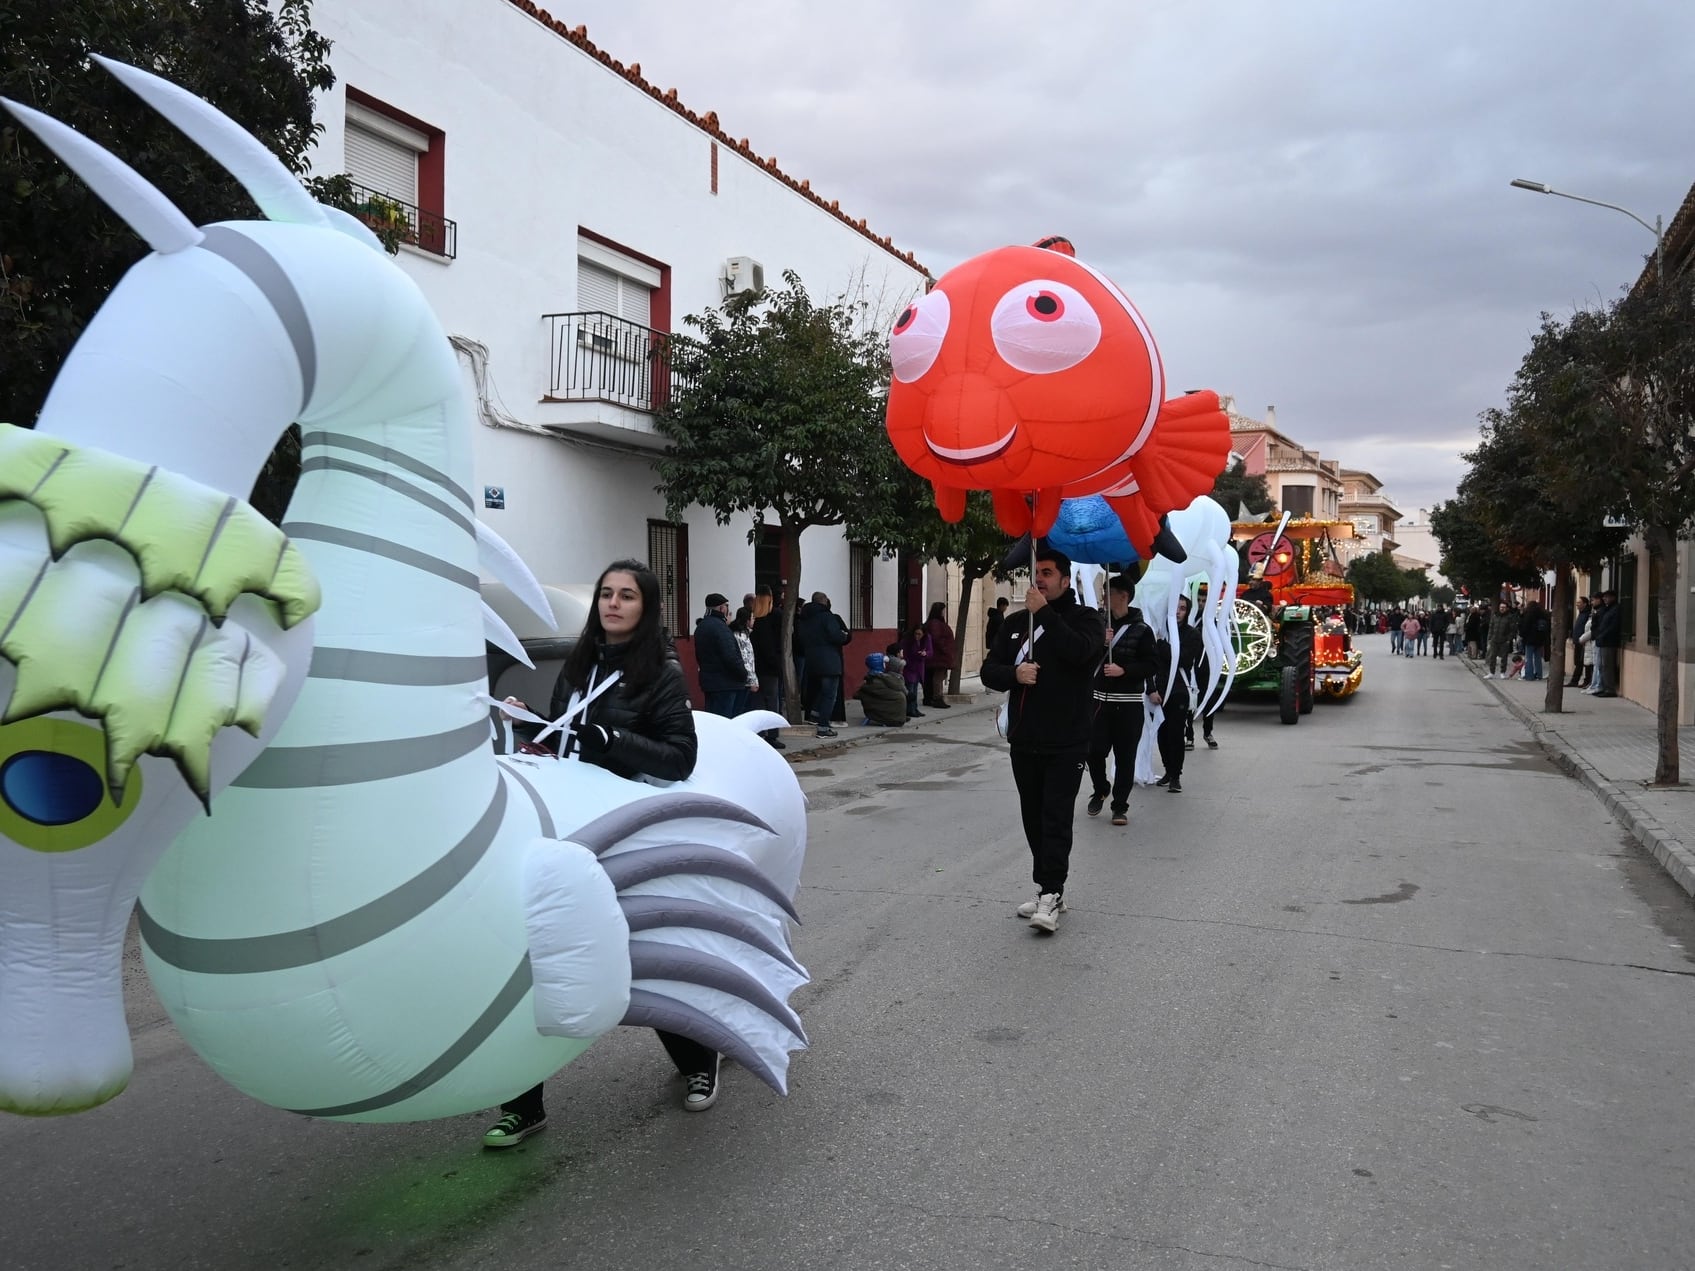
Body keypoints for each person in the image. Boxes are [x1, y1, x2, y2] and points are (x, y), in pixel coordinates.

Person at [486, 559, 717, 1148]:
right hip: (570, 826)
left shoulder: (660, 673)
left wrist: (614, 741)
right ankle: (522, 1099)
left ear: (647, 607)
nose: (613, 604)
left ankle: (698, 1056)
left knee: (642, 953)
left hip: (625, 829)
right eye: (606, 594)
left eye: (627, 596)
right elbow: (571, 738)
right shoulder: (580, 664)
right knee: (538, 956)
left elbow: (679, 757)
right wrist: (538, 733)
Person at [980, 546, 1102, 933]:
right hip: (1025, 738)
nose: (1041, 580)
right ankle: (1047, 887)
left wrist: (1045, 614)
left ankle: (1052, 890)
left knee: (1055, 816)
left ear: (1065, 580)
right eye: (1038, 573)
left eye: (1048, 573)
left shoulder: (1086, 620)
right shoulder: (1016, 623)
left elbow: (1081, 654)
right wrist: (1014, 676)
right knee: (1032, 816)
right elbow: (989, 670)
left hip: (1067, 739)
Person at [1086, 575, 1156, 828]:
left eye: (1108, 593)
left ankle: (1120, 806)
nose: (1104, 598)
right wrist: (1098, 644)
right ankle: (1101, 787)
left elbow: (1151, 664)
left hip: (1128, 704)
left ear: (1123, 596)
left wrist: (1124, 670)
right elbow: (1082, 657)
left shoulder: (1142, 630)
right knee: (1093, 751)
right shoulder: (1097, 624)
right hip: (1099, 703)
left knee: (1125, 758)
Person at [1151, 594, 1202, 794]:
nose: (1178, 612)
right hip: (1159, 689)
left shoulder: (1191, 634)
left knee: (1175, 733)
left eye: (1182, 608)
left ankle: (1175, 775)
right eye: (1175, 608)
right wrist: (1151, 689)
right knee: (1161, 734)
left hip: (1179, 689)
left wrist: (1161, 644)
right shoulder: (1161, 631)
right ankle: (1166, 770)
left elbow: (1181, 659)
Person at [793, 591, 851, 736]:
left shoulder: (804, 619)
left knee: (821, 691)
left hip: (811, 660)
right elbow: (836, 635)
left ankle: (814, 715)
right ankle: (823, 727)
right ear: (824, 601)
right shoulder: (827, 617)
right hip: (829, 660)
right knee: (830, 694)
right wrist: (844, 636)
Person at [693, 593, 745, 716]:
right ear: (722, 608)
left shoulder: (701, 627)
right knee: (726, 721)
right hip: (726, 683)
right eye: (727, 606)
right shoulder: (720, 628)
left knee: (713, 719)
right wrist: (743, 673)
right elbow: (730, 656)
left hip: (709, 682)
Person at [748, 586, 786, 749]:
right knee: (772, 701)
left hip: (755, 666)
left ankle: (759, 732)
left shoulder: (753, 617)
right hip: (770, 667)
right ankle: (772, 734)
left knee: (757, 701)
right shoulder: (775, 616)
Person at [855, 652, 909, 726]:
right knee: (900, 696)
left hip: (883, 712)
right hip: (893, 718)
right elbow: (897, 686)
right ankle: (894, 718)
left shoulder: (872, 679)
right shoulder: (881, 679)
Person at [923, 602, 956, 708]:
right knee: (938, 677)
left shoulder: (934, 623)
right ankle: (937, 698)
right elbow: (937, 639)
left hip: (938, 655)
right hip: (939, 656)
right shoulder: (935, 624)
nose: (944, 613)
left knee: (933, 677)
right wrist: (945, 649)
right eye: (943, 611)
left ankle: (929, 697)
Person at [1591, 589, 1621, 696]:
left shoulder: (1615, 609)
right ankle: (1604, 687)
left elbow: (1612, 626)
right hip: (1603, 641)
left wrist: (1602, 635)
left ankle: (1610, 689)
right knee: (1603, 666)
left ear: (1613, 597)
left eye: (1607, 597)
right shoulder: (1608, 609)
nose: (1604, 599)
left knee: (1607, 666)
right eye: (1604, 597)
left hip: (1609, 641)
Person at [729, 605, 758, 713]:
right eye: (752, 618)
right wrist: (752, 681)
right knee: (739, 709)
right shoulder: (742, 636)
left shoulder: (737, 633)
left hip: (739, 678)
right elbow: (747, 660)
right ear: (747, 620)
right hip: (744, 680)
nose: (754, 620)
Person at [900, 624, 932, 718]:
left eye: (919, 634)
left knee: (915, 687)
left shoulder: (926, 639)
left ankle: (914, 708)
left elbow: (930, 652)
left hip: (919, 666)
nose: (917, 636)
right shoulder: (907, 641)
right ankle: (910, 709)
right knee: (910, 687)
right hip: (909, 665)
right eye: (916, 634)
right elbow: (904, 653)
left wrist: (925, 653)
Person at [1519, 599, 1550, 681]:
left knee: (1528, 658)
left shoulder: (1528, 614)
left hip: (1529, 639)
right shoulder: (1543, 614)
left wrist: (1522, 635)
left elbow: (1525, 626)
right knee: (1538, 658)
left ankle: (1529, 675)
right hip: (1540, 639)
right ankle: (1539, 675)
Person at [1485, 600, 1517, 678]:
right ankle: (1491, 672)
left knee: (1504, 657)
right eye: (1501, 607)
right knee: (1492, 656)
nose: (1502, 609)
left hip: (1504, 640)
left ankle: (1502, 672)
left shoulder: (1510, 617)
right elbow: (1491, 627)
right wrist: (1490, 637)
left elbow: (1512, 629)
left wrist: (1508, 639)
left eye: (1504, 607)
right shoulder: (1495, 616)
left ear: (1506, 608)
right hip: (1494, 639)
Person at [1567, 595, 1591, 688]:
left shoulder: (1587, 614)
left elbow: (1585, 629)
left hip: (1583, 642)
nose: (1577, 604)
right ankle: (1575, 680)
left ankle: (1580, 680)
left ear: (1585, 604)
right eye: (1577, 603)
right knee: (1578, 662)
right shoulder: (1581, 613)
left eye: (1579, 603)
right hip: (1577, 641)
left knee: (1582, 662)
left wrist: (1582, 639)